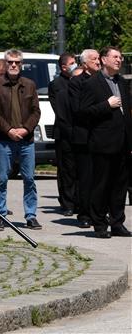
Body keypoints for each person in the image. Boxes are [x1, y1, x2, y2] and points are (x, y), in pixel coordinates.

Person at [0, 49, 42, 231]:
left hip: (26, 140)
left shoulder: (30, 85)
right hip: (4, 139)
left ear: (21, 64)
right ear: (5, 63)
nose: (14, 65)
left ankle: (31, 215)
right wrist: (8, 130)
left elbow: (36, 111)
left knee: (29, 179)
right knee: (1, 178)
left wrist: (25, 129)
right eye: (10, 62)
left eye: (17, 62)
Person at [79, 47, 132, 238]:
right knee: (101, 185)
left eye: (120, 57)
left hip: (122, 143)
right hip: (103, 143)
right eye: (115, 57)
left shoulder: (123, 83)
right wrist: (106, 106)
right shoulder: (92, 83)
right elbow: (82, 113)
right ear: (103, 59)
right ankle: (100, 224)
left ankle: (117, 223)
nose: (119, 60)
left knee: (120, 187)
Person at [69, 49, 101, 228]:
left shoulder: (103, 81)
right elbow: (77, 109)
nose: (98, 62)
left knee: (101, 177)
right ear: (84, 63)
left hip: (101, 135)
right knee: (86, 177)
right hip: (84, 136)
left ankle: (99, 213)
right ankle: (84, 214)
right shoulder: (76, 82)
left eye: (98, 58)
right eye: (94, 59)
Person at [48, 53, 78, 216]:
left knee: (78, 169)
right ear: (64, 67)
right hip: (64, 131)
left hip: (78, 131)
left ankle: (78, 201)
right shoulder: (57, 84)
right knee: (65, 169)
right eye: (72, 63)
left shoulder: (80, 80)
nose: (75, 65)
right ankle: (67, 203)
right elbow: (60, 109)